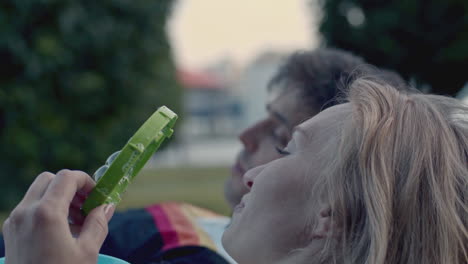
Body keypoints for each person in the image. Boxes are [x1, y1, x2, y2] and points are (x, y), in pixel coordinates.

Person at [0, 49, 406, 263]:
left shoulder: (174, 247)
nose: (245, 138)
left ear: (331, 209)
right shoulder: (183, 221)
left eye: (284, 141)